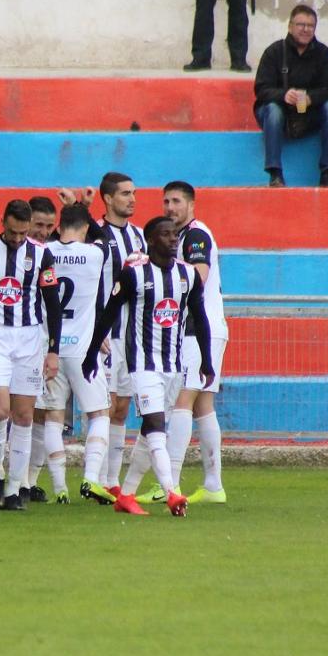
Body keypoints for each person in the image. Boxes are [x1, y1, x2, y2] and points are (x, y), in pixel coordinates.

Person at [83, 216, 214, 518]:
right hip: (142, 364)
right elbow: (108, 314)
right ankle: (172, 492)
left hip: (174, 365)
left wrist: (206, 360)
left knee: (150, 431)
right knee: (156, 426)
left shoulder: (188, 275)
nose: (172, 239)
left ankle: (126, 495)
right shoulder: (133, 275)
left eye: (174, 235)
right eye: (165, 235)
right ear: (151, 240)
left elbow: (201, 319)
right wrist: (91, 353)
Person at [0, 199, 62, 511]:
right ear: (2, 221)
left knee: (24, 415)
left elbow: (52, 303)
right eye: (13, 232)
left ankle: (15, 490)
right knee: (1, 410)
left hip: (29, 338)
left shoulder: (42, 254)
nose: (17, 239)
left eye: (23, 233)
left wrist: (53, 350)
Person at [60, 173, 146, 497]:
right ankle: (92, 477)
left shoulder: (139, 237)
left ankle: (112, 482)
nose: (132, 199)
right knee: (103, 407)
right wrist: (98, 325)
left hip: (130, 334)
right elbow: (81, 280)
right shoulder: (94, 236)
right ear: (108, 199)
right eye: (125, 194)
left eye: (134, 193)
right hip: (104, 334)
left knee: (121, 407)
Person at [33, 203, 116, 506]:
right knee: (99, 414)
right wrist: (86, 208)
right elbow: (103, 237)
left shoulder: (44, 251)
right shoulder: (95, 253)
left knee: (53, 418)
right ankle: (90, 478)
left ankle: (60, 490)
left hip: (50, 347)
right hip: (83, 349)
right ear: (83, 227)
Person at [155, 182, 228, 505]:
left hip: (201, 329)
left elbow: (197, 277)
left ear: (191, 204)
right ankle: (213, 485)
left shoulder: (196, 235)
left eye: (176, 201)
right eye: (166, 201)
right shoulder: (182, 236)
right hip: (206, 329)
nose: (170, 207)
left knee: (182, 401)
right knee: (202, 404)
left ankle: (168, 484)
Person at [254, 4, 328, 187]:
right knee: (272, 109)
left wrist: (311, 98)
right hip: (280, 113)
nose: (305, 29)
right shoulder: (274, 52)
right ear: (290, 26)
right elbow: (261, 89)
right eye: (300, 24)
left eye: (310, 26)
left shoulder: (324, 54)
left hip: (310, 113)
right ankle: (275, 173)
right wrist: (284, 95)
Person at [23, 195, 59, 502]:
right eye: (39, 224)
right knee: (21, 410)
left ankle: (28, 480)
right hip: (22, 342)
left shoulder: (50, 254)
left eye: (49, 226)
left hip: (45, 343)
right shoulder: (12, 254)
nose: (43, 231)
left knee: (42, 413)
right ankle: (14, 477)